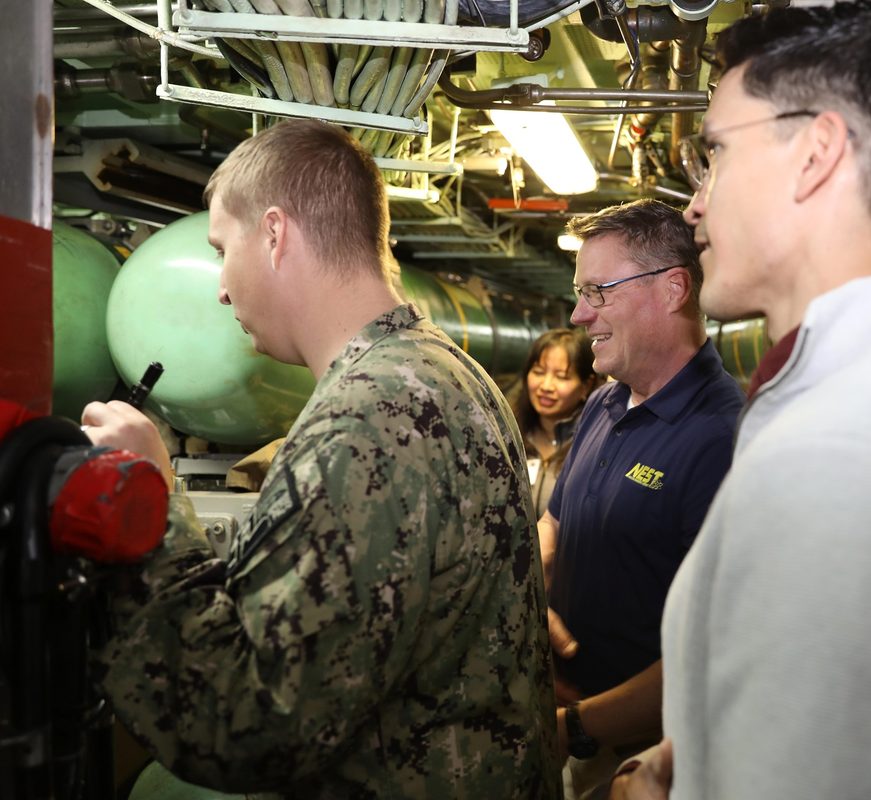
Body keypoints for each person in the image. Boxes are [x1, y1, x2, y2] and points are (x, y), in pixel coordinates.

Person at [82, 119, 562, 799]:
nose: (221, 288)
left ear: (274, 234)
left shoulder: (364, 421)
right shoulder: (445, 370)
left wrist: (150, 501)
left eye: (222, 249)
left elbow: (244, 723)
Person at [612, 3, 871, 798]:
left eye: (713, 154)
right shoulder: (864, 401)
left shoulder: (840, 458)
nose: (694, 204)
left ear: (815, 155)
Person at [539, 199, 745, 799]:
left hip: (639, 759)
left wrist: (577, 727)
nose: (579, 314)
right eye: (580, 293)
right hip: (565, 719)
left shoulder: (723, 438)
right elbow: (555, 523)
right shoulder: (604, 403)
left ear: (673, 289)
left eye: (598, 292)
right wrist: (532, 588)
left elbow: (714, 649)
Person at [509, 327, 601, 519]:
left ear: (586, 386)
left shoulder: (593, 444)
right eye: (538, 372)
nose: (546, 386)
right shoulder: (508, 432)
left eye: (561, 377)